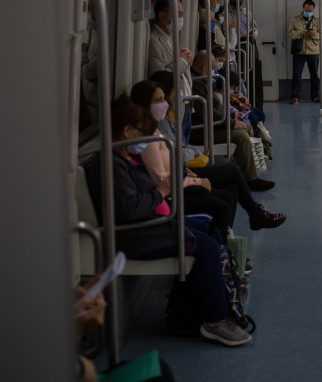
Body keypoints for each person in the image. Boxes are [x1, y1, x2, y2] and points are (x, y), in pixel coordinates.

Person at [82, 95, 252, 346]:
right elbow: (129, 209)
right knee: (204, 248)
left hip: (150, 225)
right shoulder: (110, 165)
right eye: (143, 131)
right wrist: (161, 192)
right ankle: (215, 320)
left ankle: (185, 312)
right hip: (136, 235)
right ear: (127, 130)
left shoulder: (125, 158)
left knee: (208, 228)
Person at [131, 79, 285, 232]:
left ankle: (229, 236)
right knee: (229, 178)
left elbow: (174, 156)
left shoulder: (156, 125)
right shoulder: (150, 134)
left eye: (164, 98)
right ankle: (252, 215)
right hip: (173, 187)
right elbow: (163, 174)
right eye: (159, 100)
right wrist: (194, 179)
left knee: (231, 188)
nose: (165, 103)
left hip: (180, 173)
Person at [188, 51, 275, 192]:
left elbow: (215, 109)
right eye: (212, 66)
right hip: (201, 129)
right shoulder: (197, 83)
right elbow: (207, 113)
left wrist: (233, 116)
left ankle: (245, 172)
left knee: (247, 128)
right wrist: (232, 123)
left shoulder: (202, 79)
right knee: (241, 136)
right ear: (205, 67)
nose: (213, 70)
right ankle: (251, 180)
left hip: (213, 122)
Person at [148, 0, 193, 99]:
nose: (181, 19)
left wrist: (187, 58)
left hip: (183, 100)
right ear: (162, 15)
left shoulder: (171, 36)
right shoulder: (153, 41)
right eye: (178, 14)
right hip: (170, 101)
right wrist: (183, 61)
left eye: (182, 14)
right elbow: (160, 77)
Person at [288, 0, 320, 104]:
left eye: (310, 10)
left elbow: (321, 35)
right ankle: (295, 96)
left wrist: (314, 34)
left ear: (313, 9)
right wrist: (301, 33)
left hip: (313, 51)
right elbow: (291, 34)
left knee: (314, 75)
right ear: (303, 8)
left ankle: (315, 96)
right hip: (299, 52)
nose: (308, 12)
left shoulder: (317, 20)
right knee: (296, 75)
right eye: (306, 10)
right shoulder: (294, 20)